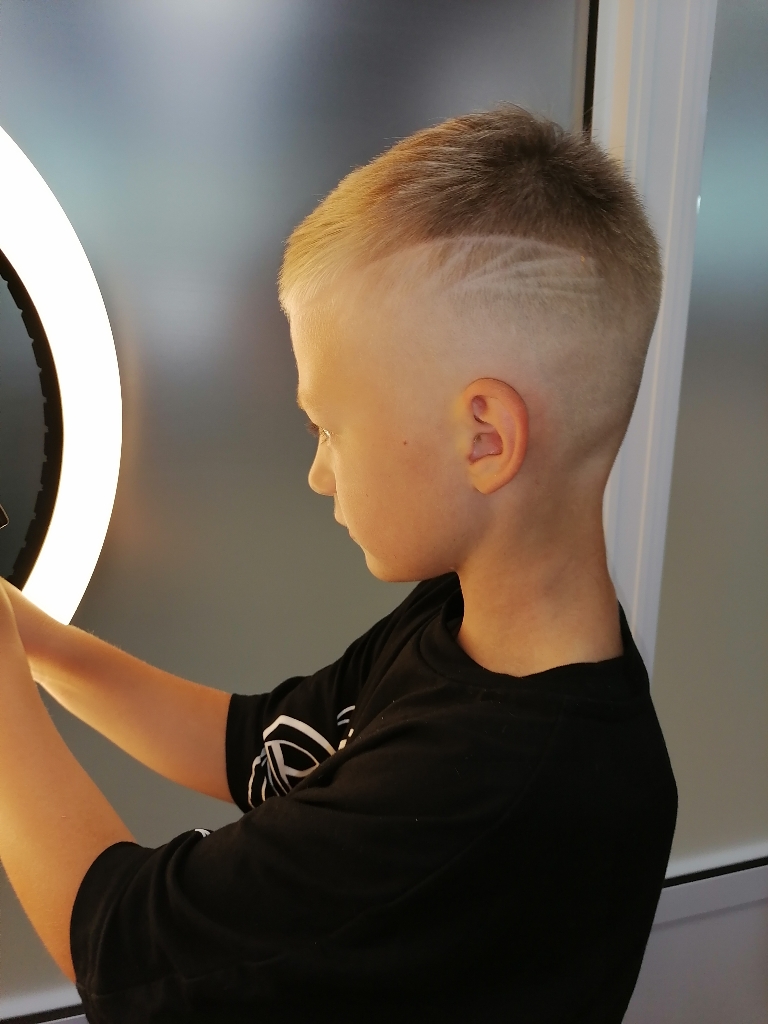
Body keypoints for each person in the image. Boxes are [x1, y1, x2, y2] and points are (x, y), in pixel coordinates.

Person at [0, 107, 677, 1023]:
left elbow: (121, 945)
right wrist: (34, 639)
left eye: (329, 427)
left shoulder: (500, 788)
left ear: (484, 436)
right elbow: (255, 748)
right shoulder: (462, 623)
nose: (317, 472)